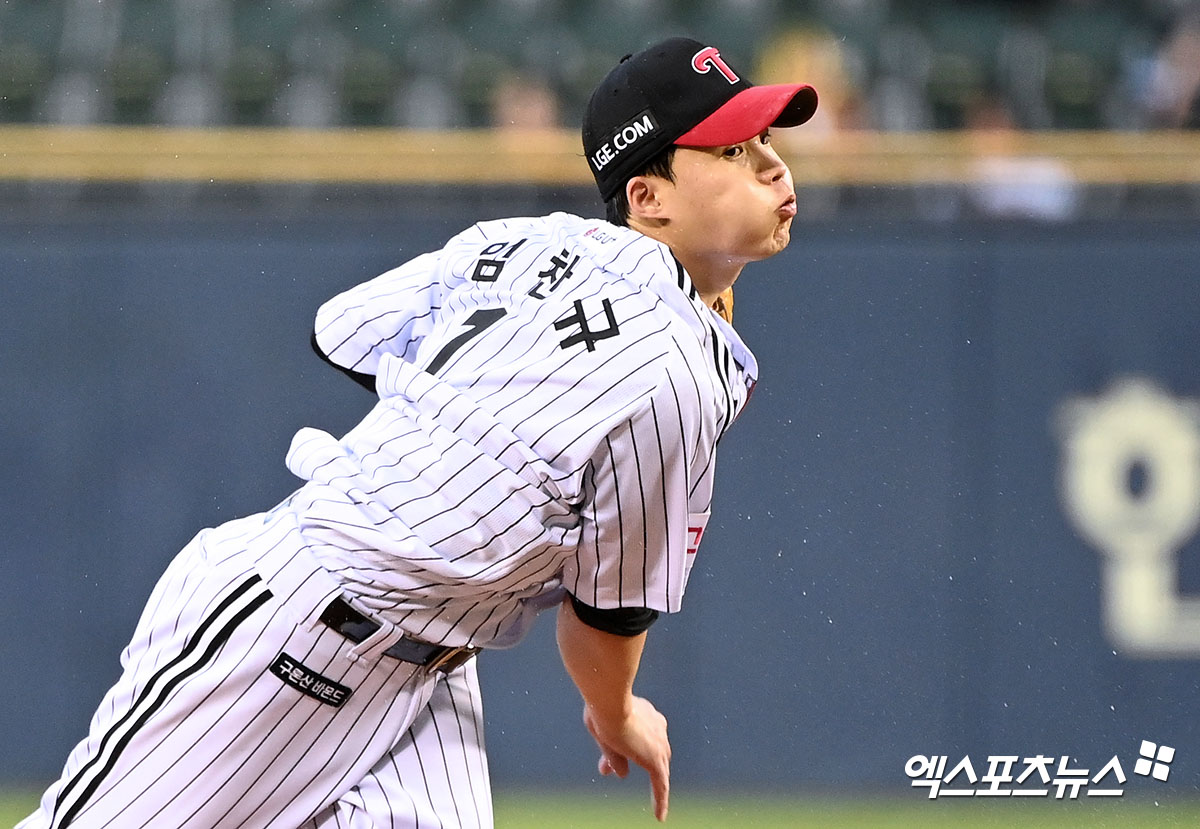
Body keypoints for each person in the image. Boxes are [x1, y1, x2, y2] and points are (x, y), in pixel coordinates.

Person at [21, 37, 817, 828]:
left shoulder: (519, 240)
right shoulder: (675, 367)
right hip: (295, 625)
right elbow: (605, 616)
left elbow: (344, 330)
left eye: (768, 144)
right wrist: (618, 715)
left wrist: (478, 406)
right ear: (648, 197)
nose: (774, 167)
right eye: (734, 150)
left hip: (427, 677)